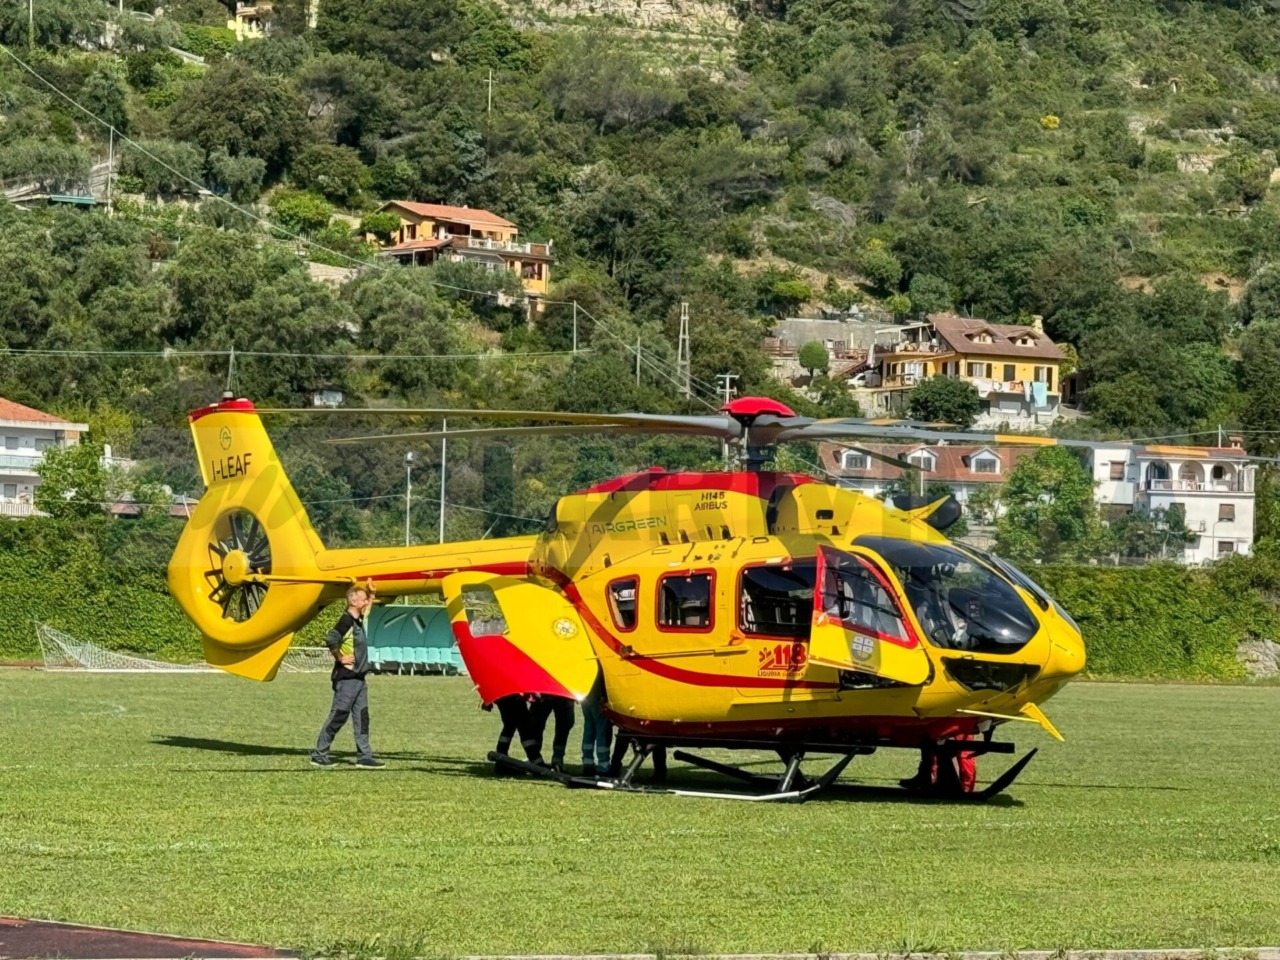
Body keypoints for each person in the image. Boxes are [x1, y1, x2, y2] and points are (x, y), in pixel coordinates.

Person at [310, 584, 385, 769]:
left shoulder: (358, 619)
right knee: (339, 715)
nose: (366, 602)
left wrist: (372, 594)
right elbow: (331, 638)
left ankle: (364, 756)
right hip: (347, 679)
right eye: (363, 598)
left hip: (360, 680)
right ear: (352, 600)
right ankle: (319, 754)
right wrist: (340, 657)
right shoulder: (345, 621)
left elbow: (367, 609)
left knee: (362, 717)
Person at [487, 693, 544, 772]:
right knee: (524, 727)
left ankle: (501, 761)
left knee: (509, 726)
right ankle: (537, 762)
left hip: (503, 695)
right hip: (513, 695)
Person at [527, 693, 575, 773]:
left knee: (563, 726)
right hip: (553, 692)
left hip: (552, 693)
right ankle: (538, 760)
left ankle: (538, 761)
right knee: (537, 726)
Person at [579, 673, 613, 778]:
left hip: (585, 694)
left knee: (589, 727)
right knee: (601, 728)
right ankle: (603, 765)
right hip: (597, 695)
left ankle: (587, 763)